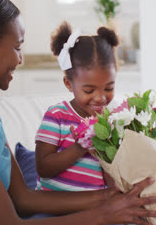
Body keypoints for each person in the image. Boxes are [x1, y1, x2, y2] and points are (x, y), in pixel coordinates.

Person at [0, 0, 156, 225]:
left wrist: (107, 198)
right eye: (17, 47)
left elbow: (23, 198)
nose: (20, 58)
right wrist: (102, 216)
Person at [35, 22, 118, 192]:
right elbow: (43, 168)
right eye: (89, 90)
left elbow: (110, 173)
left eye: (109, 88)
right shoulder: (57, 116)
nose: (100, 98)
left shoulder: (109, 122)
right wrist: (79, 147)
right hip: (55, 207)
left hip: (94, 208)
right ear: (68, 84)